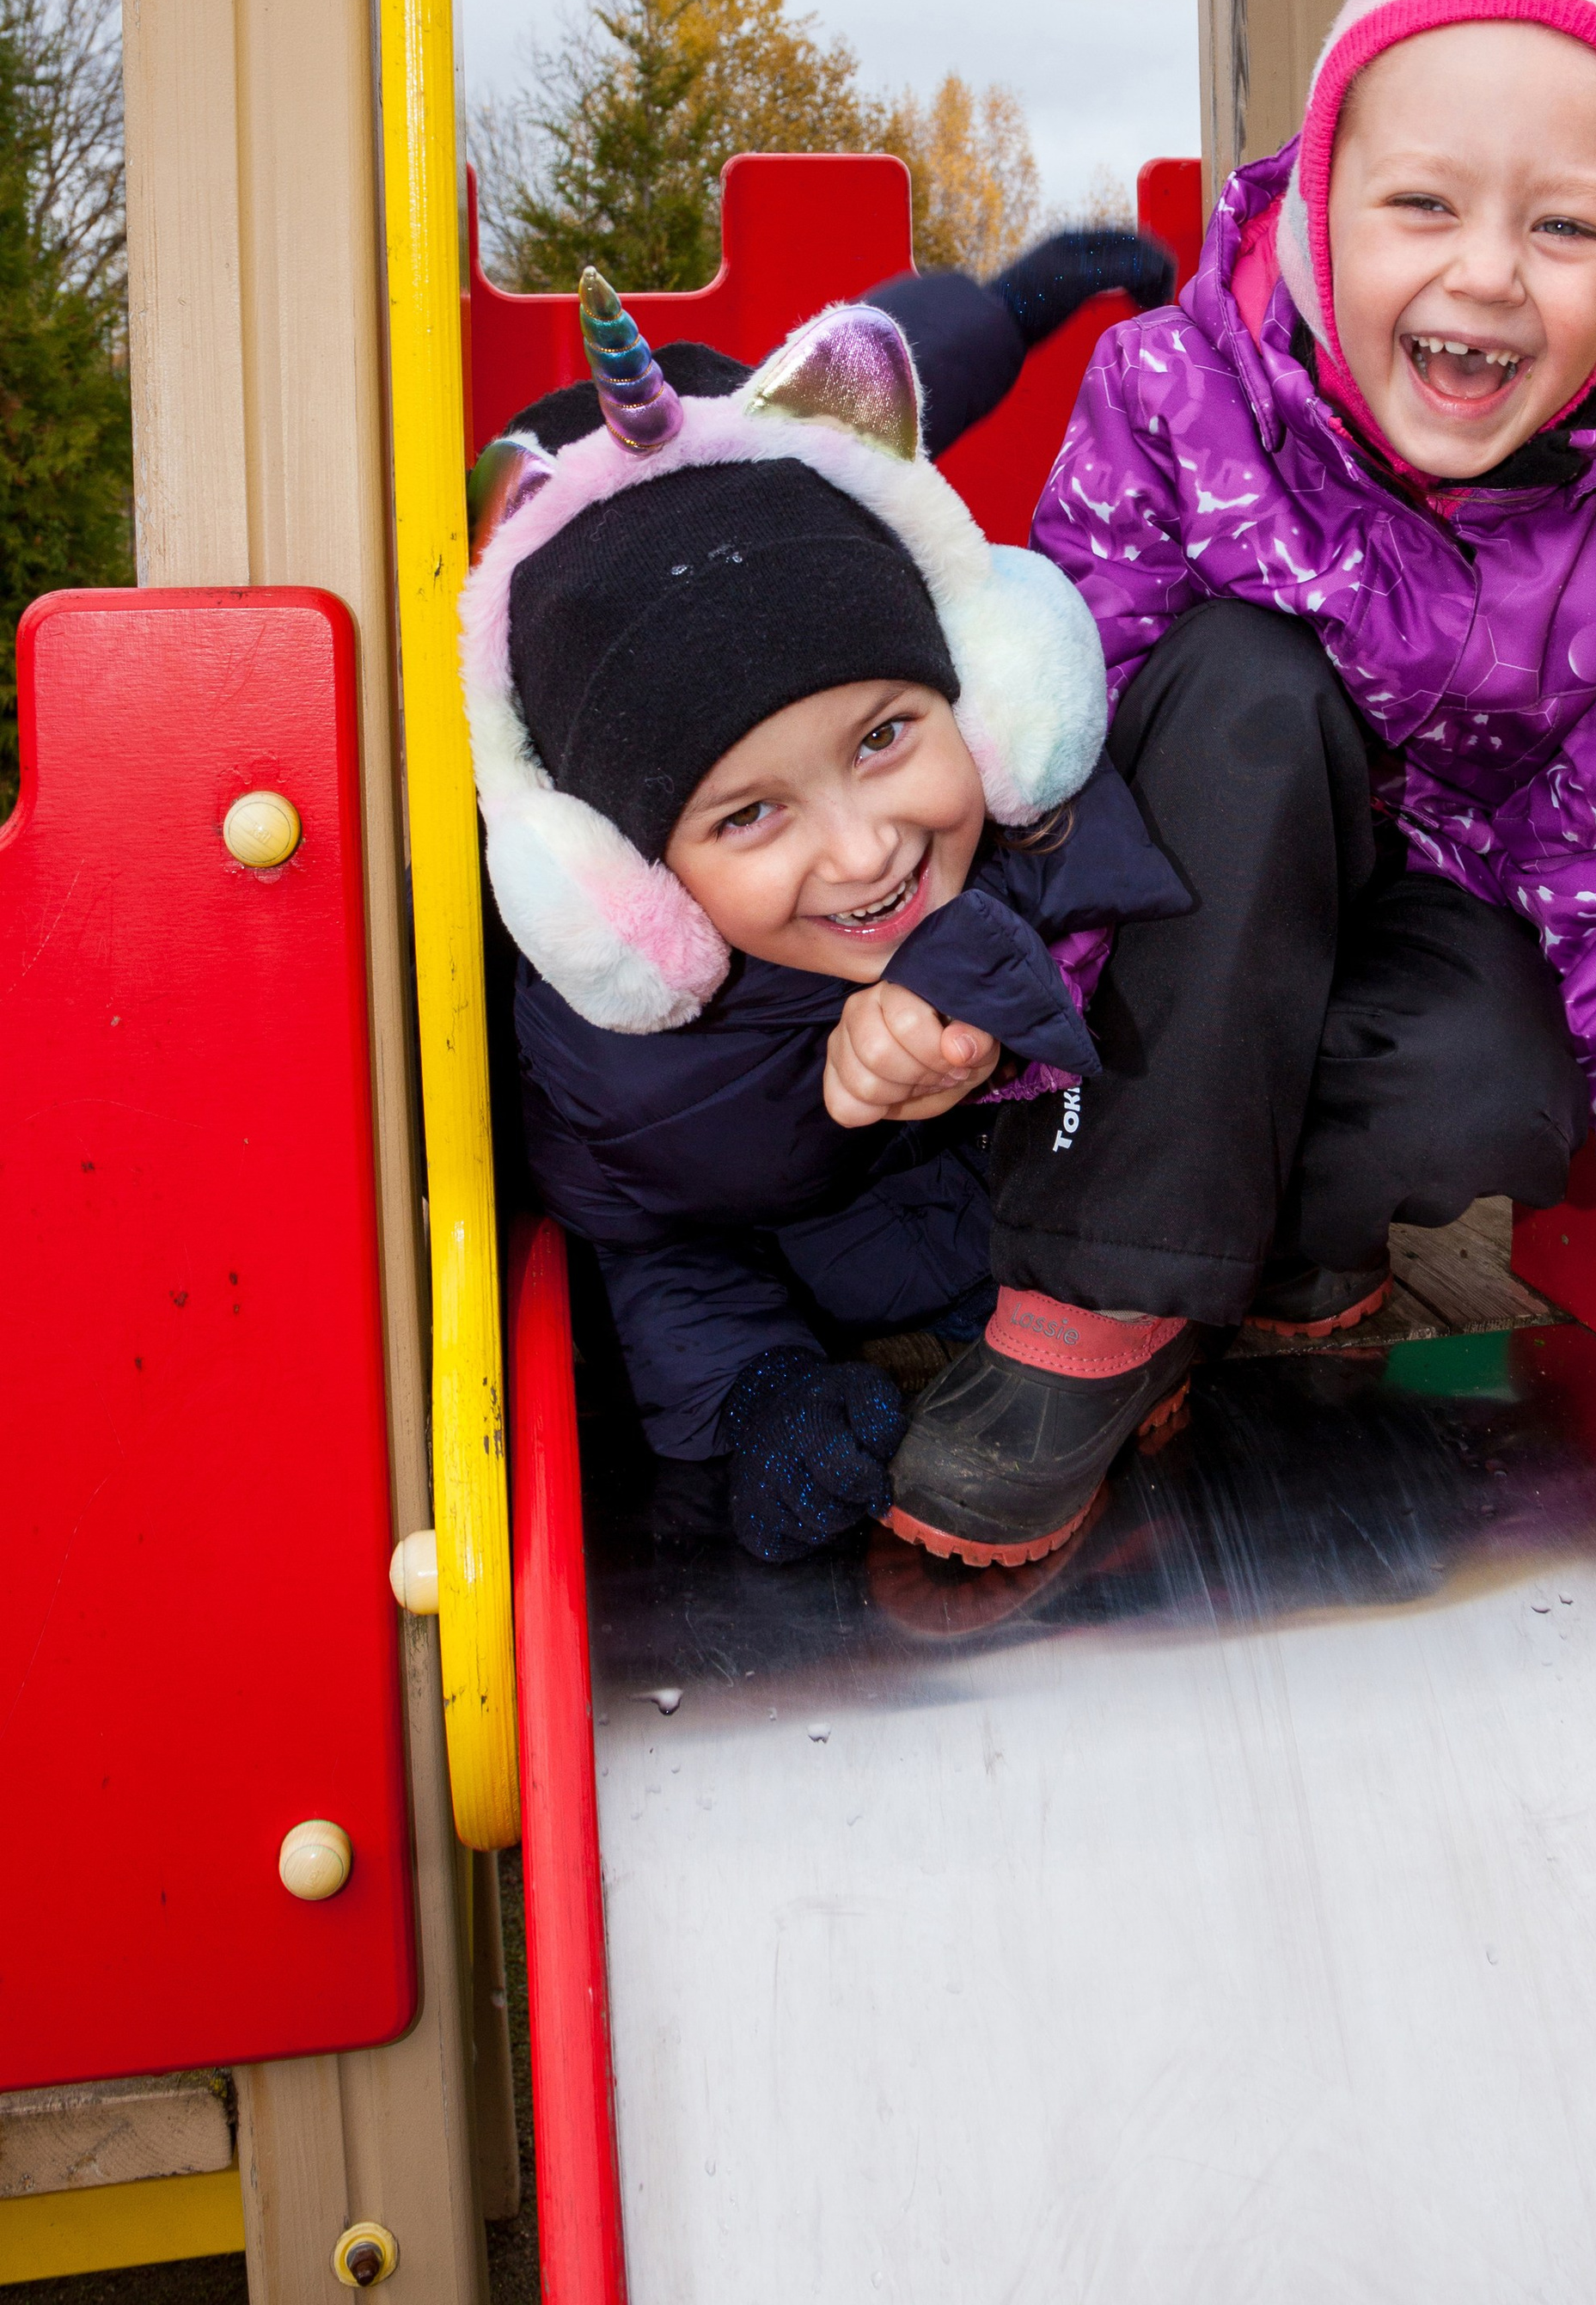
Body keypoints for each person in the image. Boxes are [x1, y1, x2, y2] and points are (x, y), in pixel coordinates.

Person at [885, 0, 1596, 1562]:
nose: (1486, 271)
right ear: (1319, 207)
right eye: (1423, 205)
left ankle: (1263, 1244)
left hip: (1383, 934)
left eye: (1565, 226)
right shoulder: (1175, 393)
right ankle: (1099, 1296)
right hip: (1157, 923)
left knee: (1507, 1086)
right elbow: (1054, 733)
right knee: (1249, 685)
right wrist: (1000, 1013)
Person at [462, 235, 1194, 1567]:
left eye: (884, 738)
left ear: (980, 700)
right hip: (736, 1240)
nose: (864, 854)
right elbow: (653, 1243)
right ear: (626, 881)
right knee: (681, 1286)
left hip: (948, 1207)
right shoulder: (612, 1052)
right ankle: (773, 1395)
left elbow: (1108, 905)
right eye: (748, 814)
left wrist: (973, 994)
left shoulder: (1015, 809)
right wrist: (754, 1398)